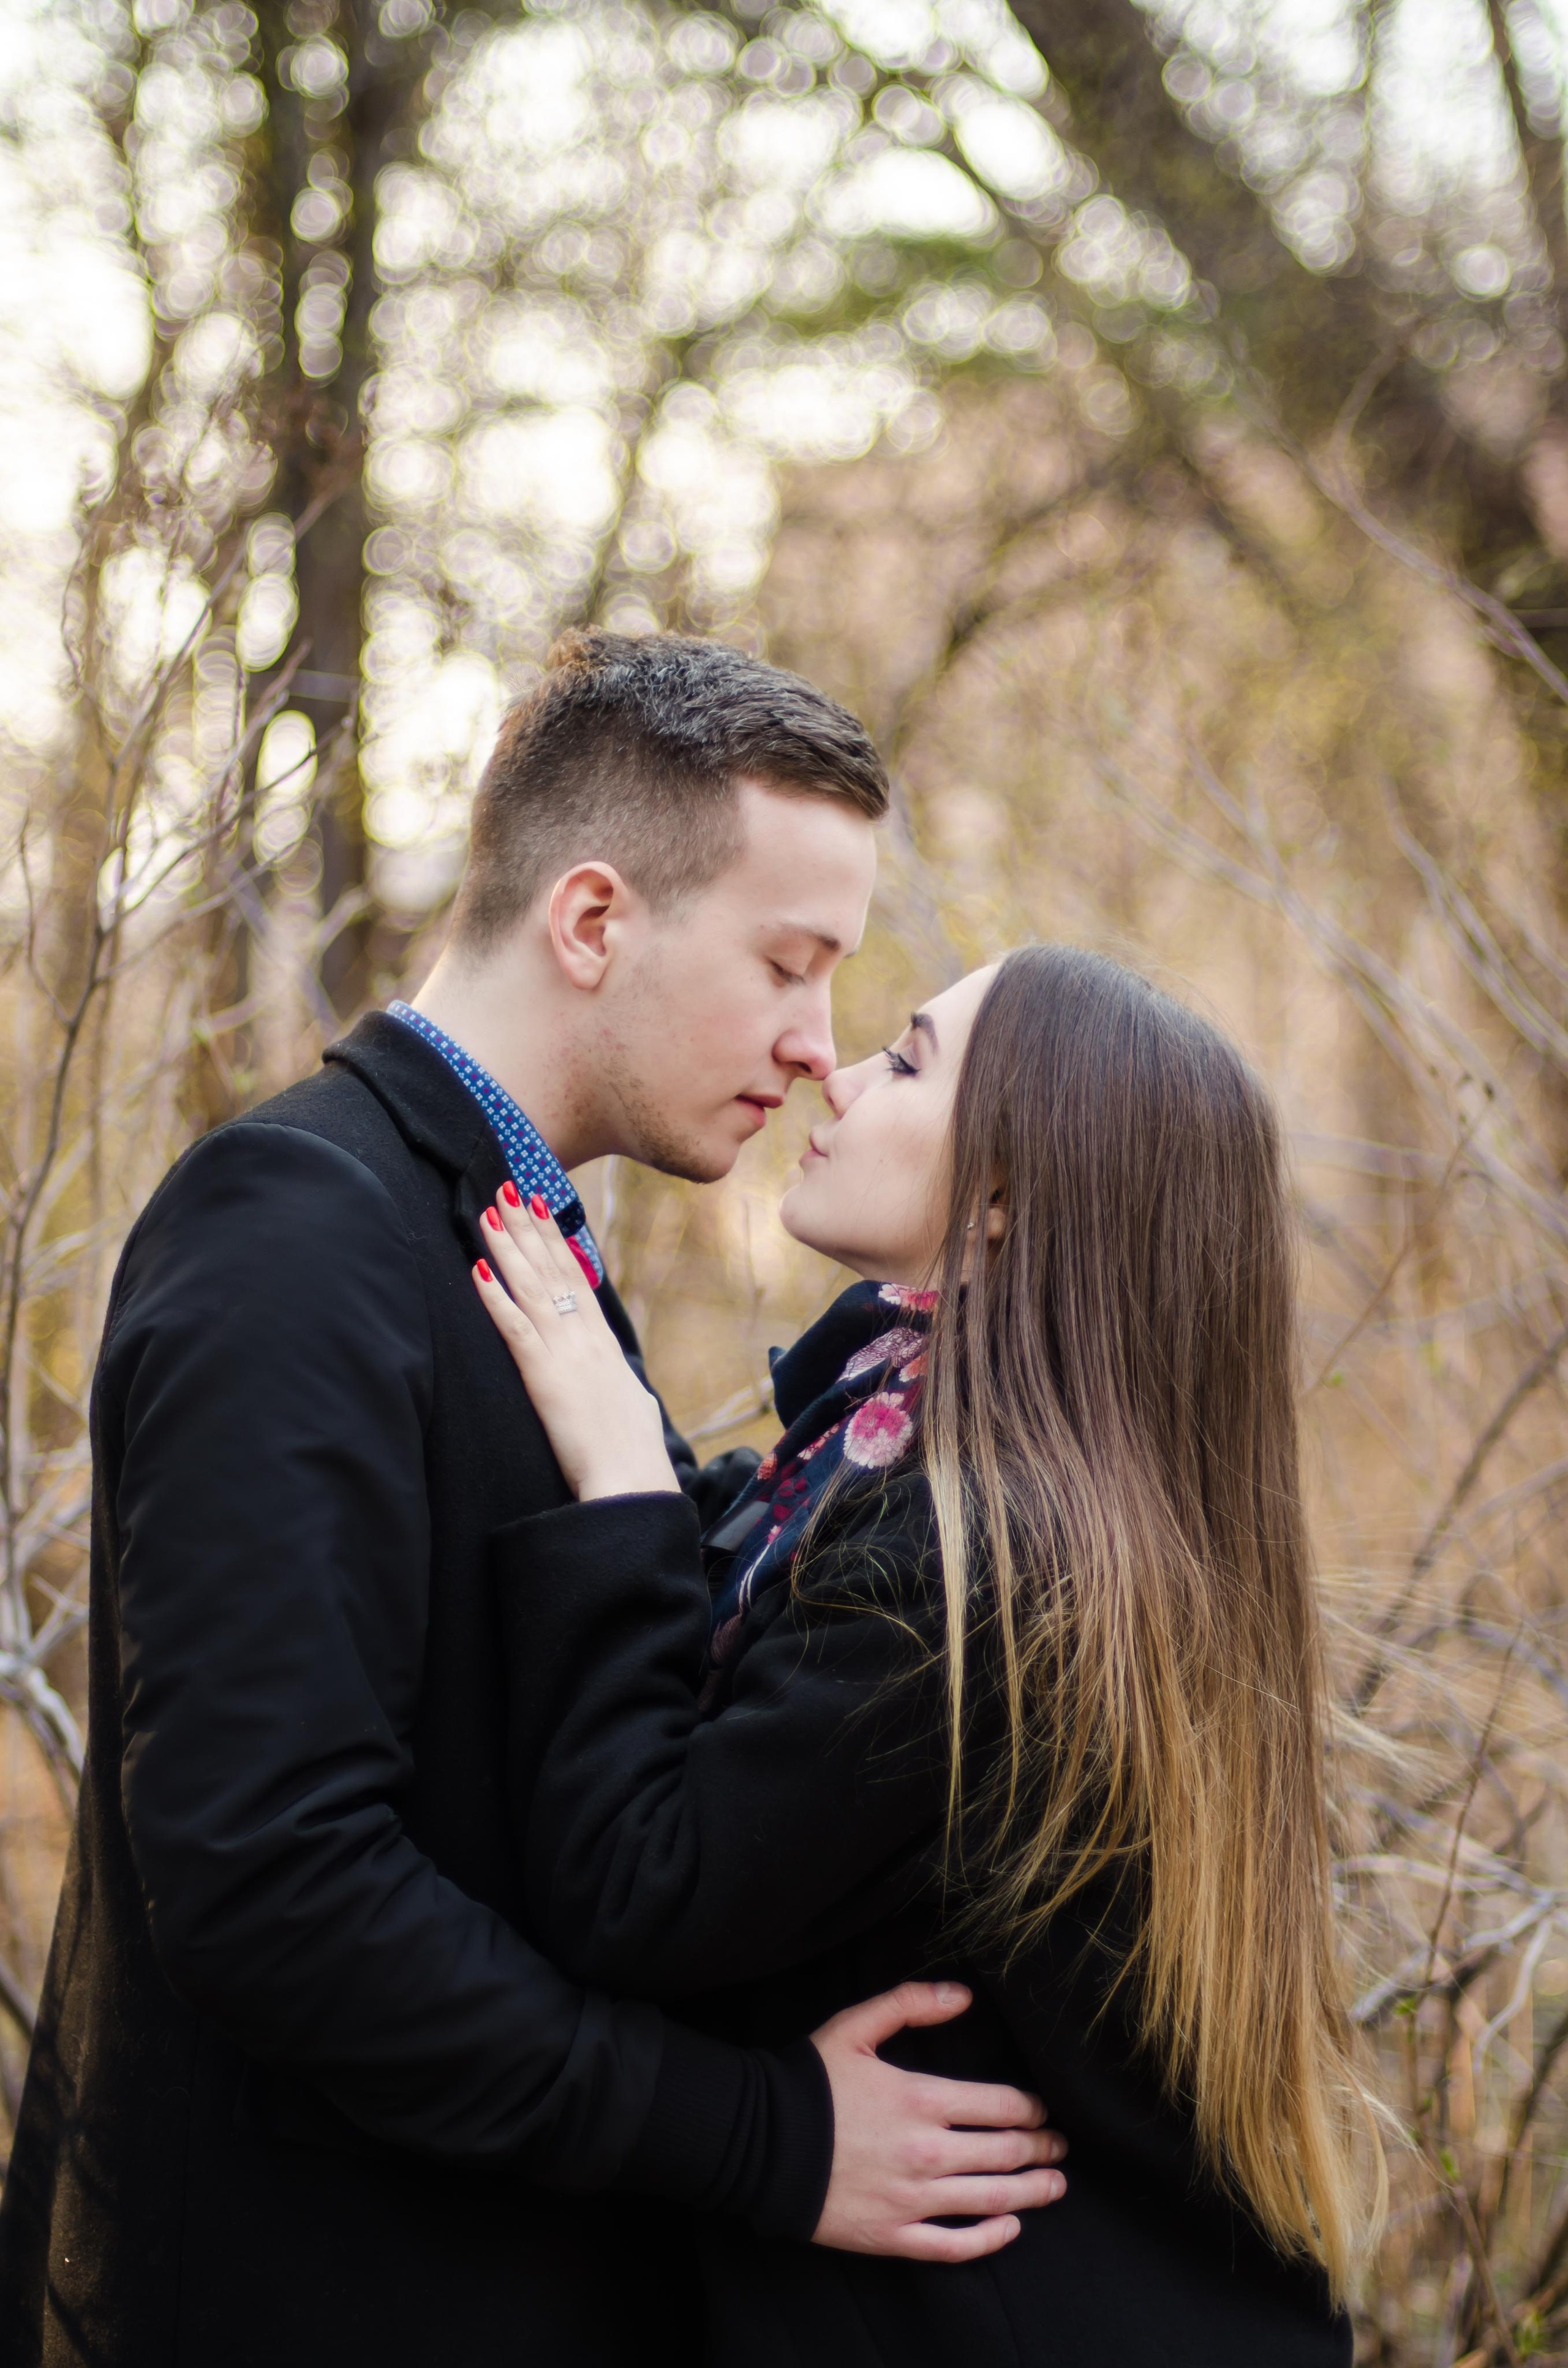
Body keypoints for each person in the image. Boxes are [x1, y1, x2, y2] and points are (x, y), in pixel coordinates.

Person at [0, 635, 1065, 2368]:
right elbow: (276, 1882)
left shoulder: (508, 1232)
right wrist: (760, 2134)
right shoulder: (299, 1230)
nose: (816, 1048)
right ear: (592, 922)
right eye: (789, 967)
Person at [467, 943, 1385, 2367]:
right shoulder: (904, 1470)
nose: (832, 1068)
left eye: (903, 1058)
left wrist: (620, 1481)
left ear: (1006, 1200)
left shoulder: (977, 1566)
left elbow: (635, 1893)